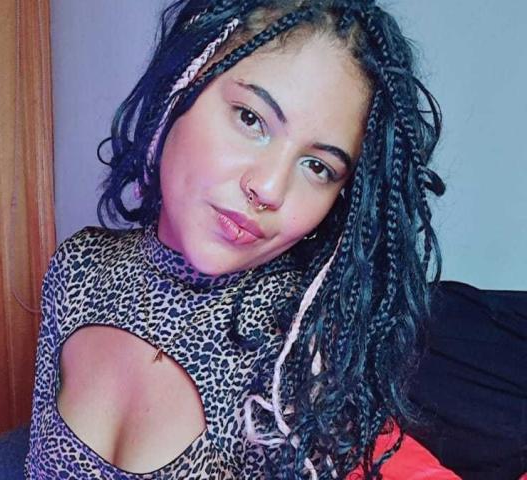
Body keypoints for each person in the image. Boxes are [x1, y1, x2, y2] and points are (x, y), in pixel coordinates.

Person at [24, 0, 450, 478]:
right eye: (251, 119)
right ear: (182, 85)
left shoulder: (298, 351)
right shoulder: (79, 268)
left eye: (317, 167)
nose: (268, 188)